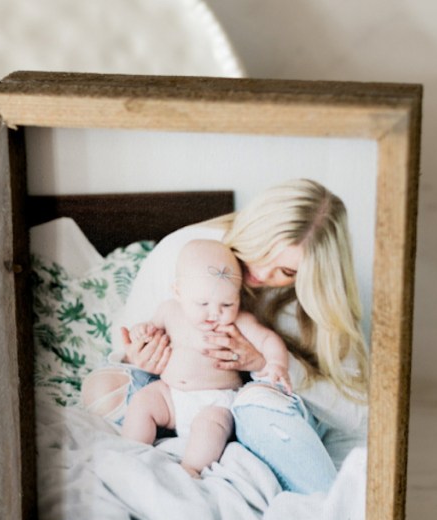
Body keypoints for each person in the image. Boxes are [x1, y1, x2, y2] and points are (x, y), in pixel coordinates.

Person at [81, 178, 369, 494]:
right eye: (260, 249)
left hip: (240, 402)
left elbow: (356, 411)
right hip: (174, 389)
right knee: (104, 387)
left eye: (286, 272)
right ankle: (142, 450)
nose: (261, 271)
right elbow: (128, 335)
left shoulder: (311, 298)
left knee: (256, 404)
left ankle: (301, 485)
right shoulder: (188, 252)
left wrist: (264, 364)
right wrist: (140, 354)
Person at [120, 239, 292, 478]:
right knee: (142, 401)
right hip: (170, 396)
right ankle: (132, 452)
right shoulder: (169, 311)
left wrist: (276, 363)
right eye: (203, 303)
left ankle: (191, 468)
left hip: (216, 400)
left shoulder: (239, 321)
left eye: (227, 303)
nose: (215, 312)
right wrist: (142, 331)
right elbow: (150, 330)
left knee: (212, 426)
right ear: (178, 291)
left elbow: (268, 339)